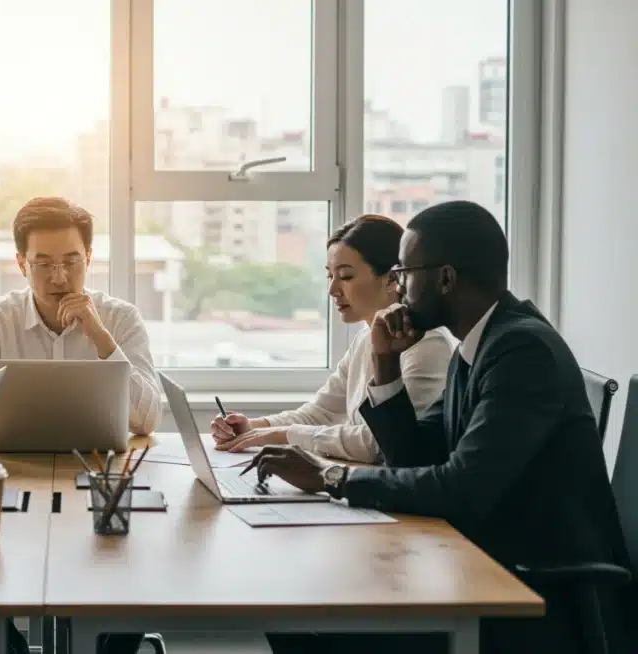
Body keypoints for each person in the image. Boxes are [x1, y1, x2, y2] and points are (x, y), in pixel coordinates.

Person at [250, 201, 629, 654]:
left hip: (534, 591)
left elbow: (461, 487)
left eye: (405, 273)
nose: (400, 287)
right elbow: (417, 457)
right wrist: (386, 364)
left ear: (445, 278)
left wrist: (334, 477)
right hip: (483, 564)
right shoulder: (480, 344)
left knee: (307, 626)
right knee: (300, 613)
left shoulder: (521, 351)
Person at [210, 214, 452, 463]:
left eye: (346, 276)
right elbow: (321, 413)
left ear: (392, 279)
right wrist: (253, 426)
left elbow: (379, 444)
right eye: (330, 276)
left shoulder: (427, 345)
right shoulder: (365, 338)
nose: (333, 290)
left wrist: (282, 435)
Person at [0, 196, 161, 436]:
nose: (59, 277)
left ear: (89, 258)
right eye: (44, 265)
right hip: (10, 465)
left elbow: (148, 421)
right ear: (22, 264)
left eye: (71, 261)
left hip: (98, 466)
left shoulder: (122, 318)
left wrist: (102, 339)